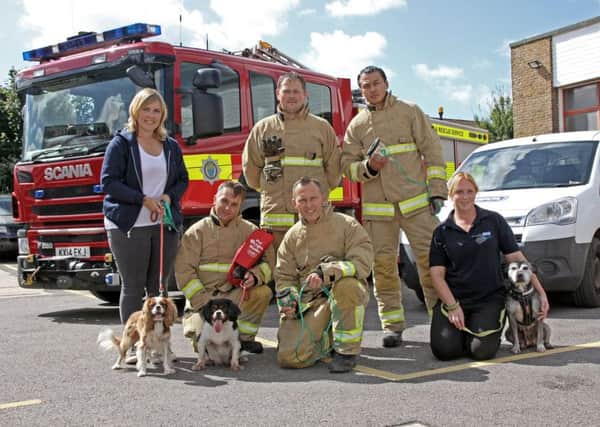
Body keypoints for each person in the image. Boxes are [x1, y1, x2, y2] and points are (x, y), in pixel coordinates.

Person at [341, 65, 447, 347]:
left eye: (376, 83)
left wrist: (437, 191)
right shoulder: (357, 125)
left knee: (430, 263)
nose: (371, 89)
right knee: (383, 268)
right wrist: (368, 167)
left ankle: (442, 320)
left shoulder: (410, 111)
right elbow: (346, 167)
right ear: (361, 90)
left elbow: (433, 150)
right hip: (379, 212)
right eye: (365, 85)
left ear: (386, 83)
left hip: (417, 208)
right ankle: (393, 326)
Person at [101, 88, 189, 361]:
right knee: (133, 285)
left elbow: (182, 180)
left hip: (163, 222)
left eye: (156, 110)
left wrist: (166, 197)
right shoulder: (122, 143)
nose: (151, 115)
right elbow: (109, 182)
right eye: (146, 109)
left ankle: (159, 346)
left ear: (162, 115)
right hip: (128, 224)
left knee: (159, 287)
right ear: (135, 111)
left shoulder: (171, 146)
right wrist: (142, 200)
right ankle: (132, 346)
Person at [429, 172, 550, 361]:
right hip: (455, 299)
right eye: (459, 192)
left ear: (476, 193)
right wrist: (452, 307)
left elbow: (517, 258)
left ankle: (475, 331)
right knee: (445, 351)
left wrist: (541, 292)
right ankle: (462, 332)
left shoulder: (494, 221)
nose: (465, 196)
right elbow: (436, 275)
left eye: (470, 191)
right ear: (451, 196)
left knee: (480, 351)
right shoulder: (441, 232)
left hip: (488, 300)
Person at [276, 177, 373, 373]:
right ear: (294, 203)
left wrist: (327, 271)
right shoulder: (291, 236)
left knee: (348, 286)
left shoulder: (347, 225)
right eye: (302, 200)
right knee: (290, 357)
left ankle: (346, 351)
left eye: (313, 198)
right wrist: (289, 301)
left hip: (341, 295)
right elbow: (284, 277)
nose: (309, 205)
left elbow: (362, 262)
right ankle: (326, 338)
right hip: (310, 303)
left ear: (324, 198)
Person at [242, 72, 342, 253]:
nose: (291, 96)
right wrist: (272, 189)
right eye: (286, 91)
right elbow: (251, 172)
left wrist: (317, 195)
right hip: (275, 217)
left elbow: (334, 171)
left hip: (314, 217)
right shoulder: (262, 129)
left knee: (316, 269)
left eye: (296, 91)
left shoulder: (321, 128)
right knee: (278, 271)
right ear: (277, 93)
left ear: (305, 94)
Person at [174, 181, 274, 354]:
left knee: (263, 292)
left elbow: (269, 263)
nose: (228, 208)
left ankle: (244, 339)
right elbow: (184, 272)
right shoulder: (197, 232)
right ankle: (199, 327)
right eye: (224, 201)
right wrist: (204, 304)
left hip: (234, 296)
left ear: (240, 206)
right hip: (204, 300)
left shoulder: (250, 231)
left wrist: (255, 275)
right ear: (214, 200)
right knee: (205, 348)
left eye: (234, 204)